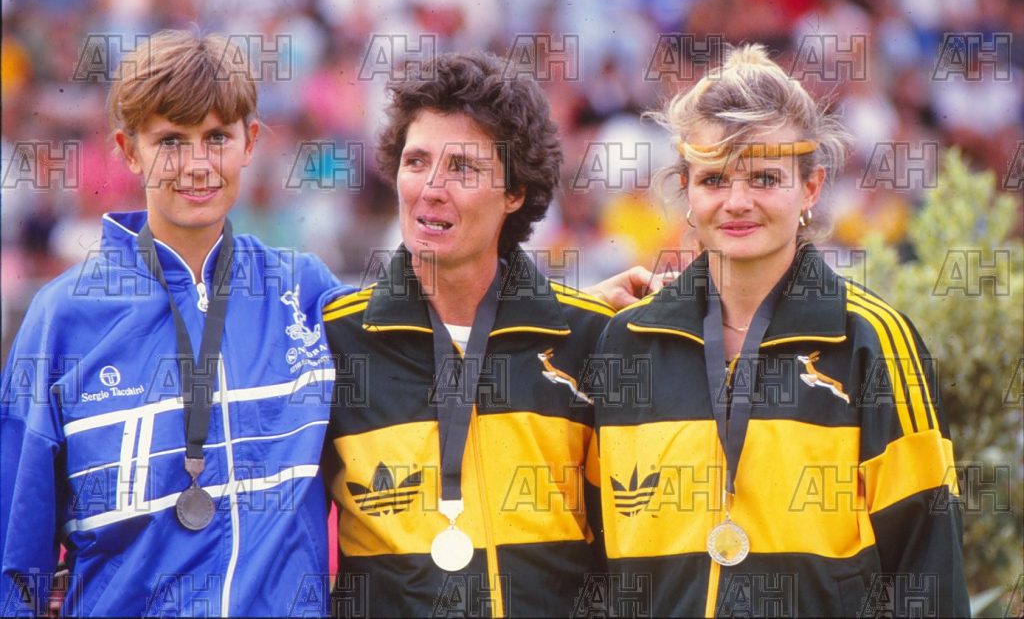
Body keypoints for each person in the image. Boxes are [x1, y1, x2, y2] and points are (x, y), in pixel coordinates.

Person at [591, 44, 969, 616]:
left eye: (765, 178)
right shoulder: (625, 343)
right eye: (714, 179)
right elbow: (589, 560)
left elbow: (929, 565)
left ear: (811, 188)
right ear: (687, 190)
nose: (737, 202)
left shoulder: (872, 342)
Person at [0, 30, 353, 616]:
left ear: (250, 142)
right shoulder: (61, 318)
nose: (197, 165)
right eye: (170, 141)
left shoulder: (305, 292)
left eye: (217, 137)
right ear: (129, 150)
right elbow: (15, 564)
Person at [319, 51, 613, 616]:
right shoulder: (336, 342)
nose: (432, 187)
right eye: (416, 161)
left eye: (462, 168)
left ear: (514, 192)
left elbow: (625, 547)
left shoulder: (590, 339)